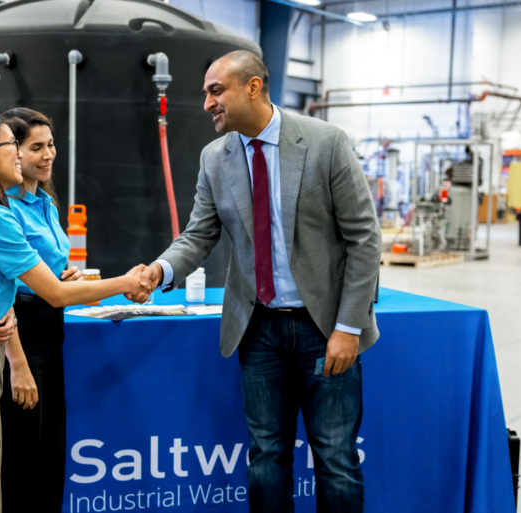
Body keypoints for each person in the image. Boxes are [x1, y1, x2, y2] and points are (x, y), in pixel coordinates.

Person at [127, 51, 381, 512]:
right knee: (266, 456)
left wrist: (349, 328)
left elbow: (364, 239)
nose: (207, 103)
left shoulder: (325, 142)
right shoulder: (215, 158)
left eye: (215, 90)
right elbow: (198, 234)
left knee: (336, 459)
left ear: (253, 87)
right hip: (257, 330)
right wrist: (159, 270)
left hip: (324, 328)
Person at [0, 111, 149, 513]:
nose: (25, 158)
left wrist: (1, 311)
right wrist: (126, 284)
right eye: (15, 146)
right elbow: (54, 293)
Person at [0, 107, 74, 512]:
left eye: (50, 145)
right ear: (12, 152)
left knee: (50, 449)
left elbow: (47, 273)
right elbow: (3, 292)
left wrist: (63, 278)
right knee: (23, 455)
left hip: (49, 326)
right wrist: (18, 362)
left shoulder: (44, 201)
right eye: (36, 147)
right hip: (22, 332)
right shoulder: (2, 210)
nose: (48, 155)